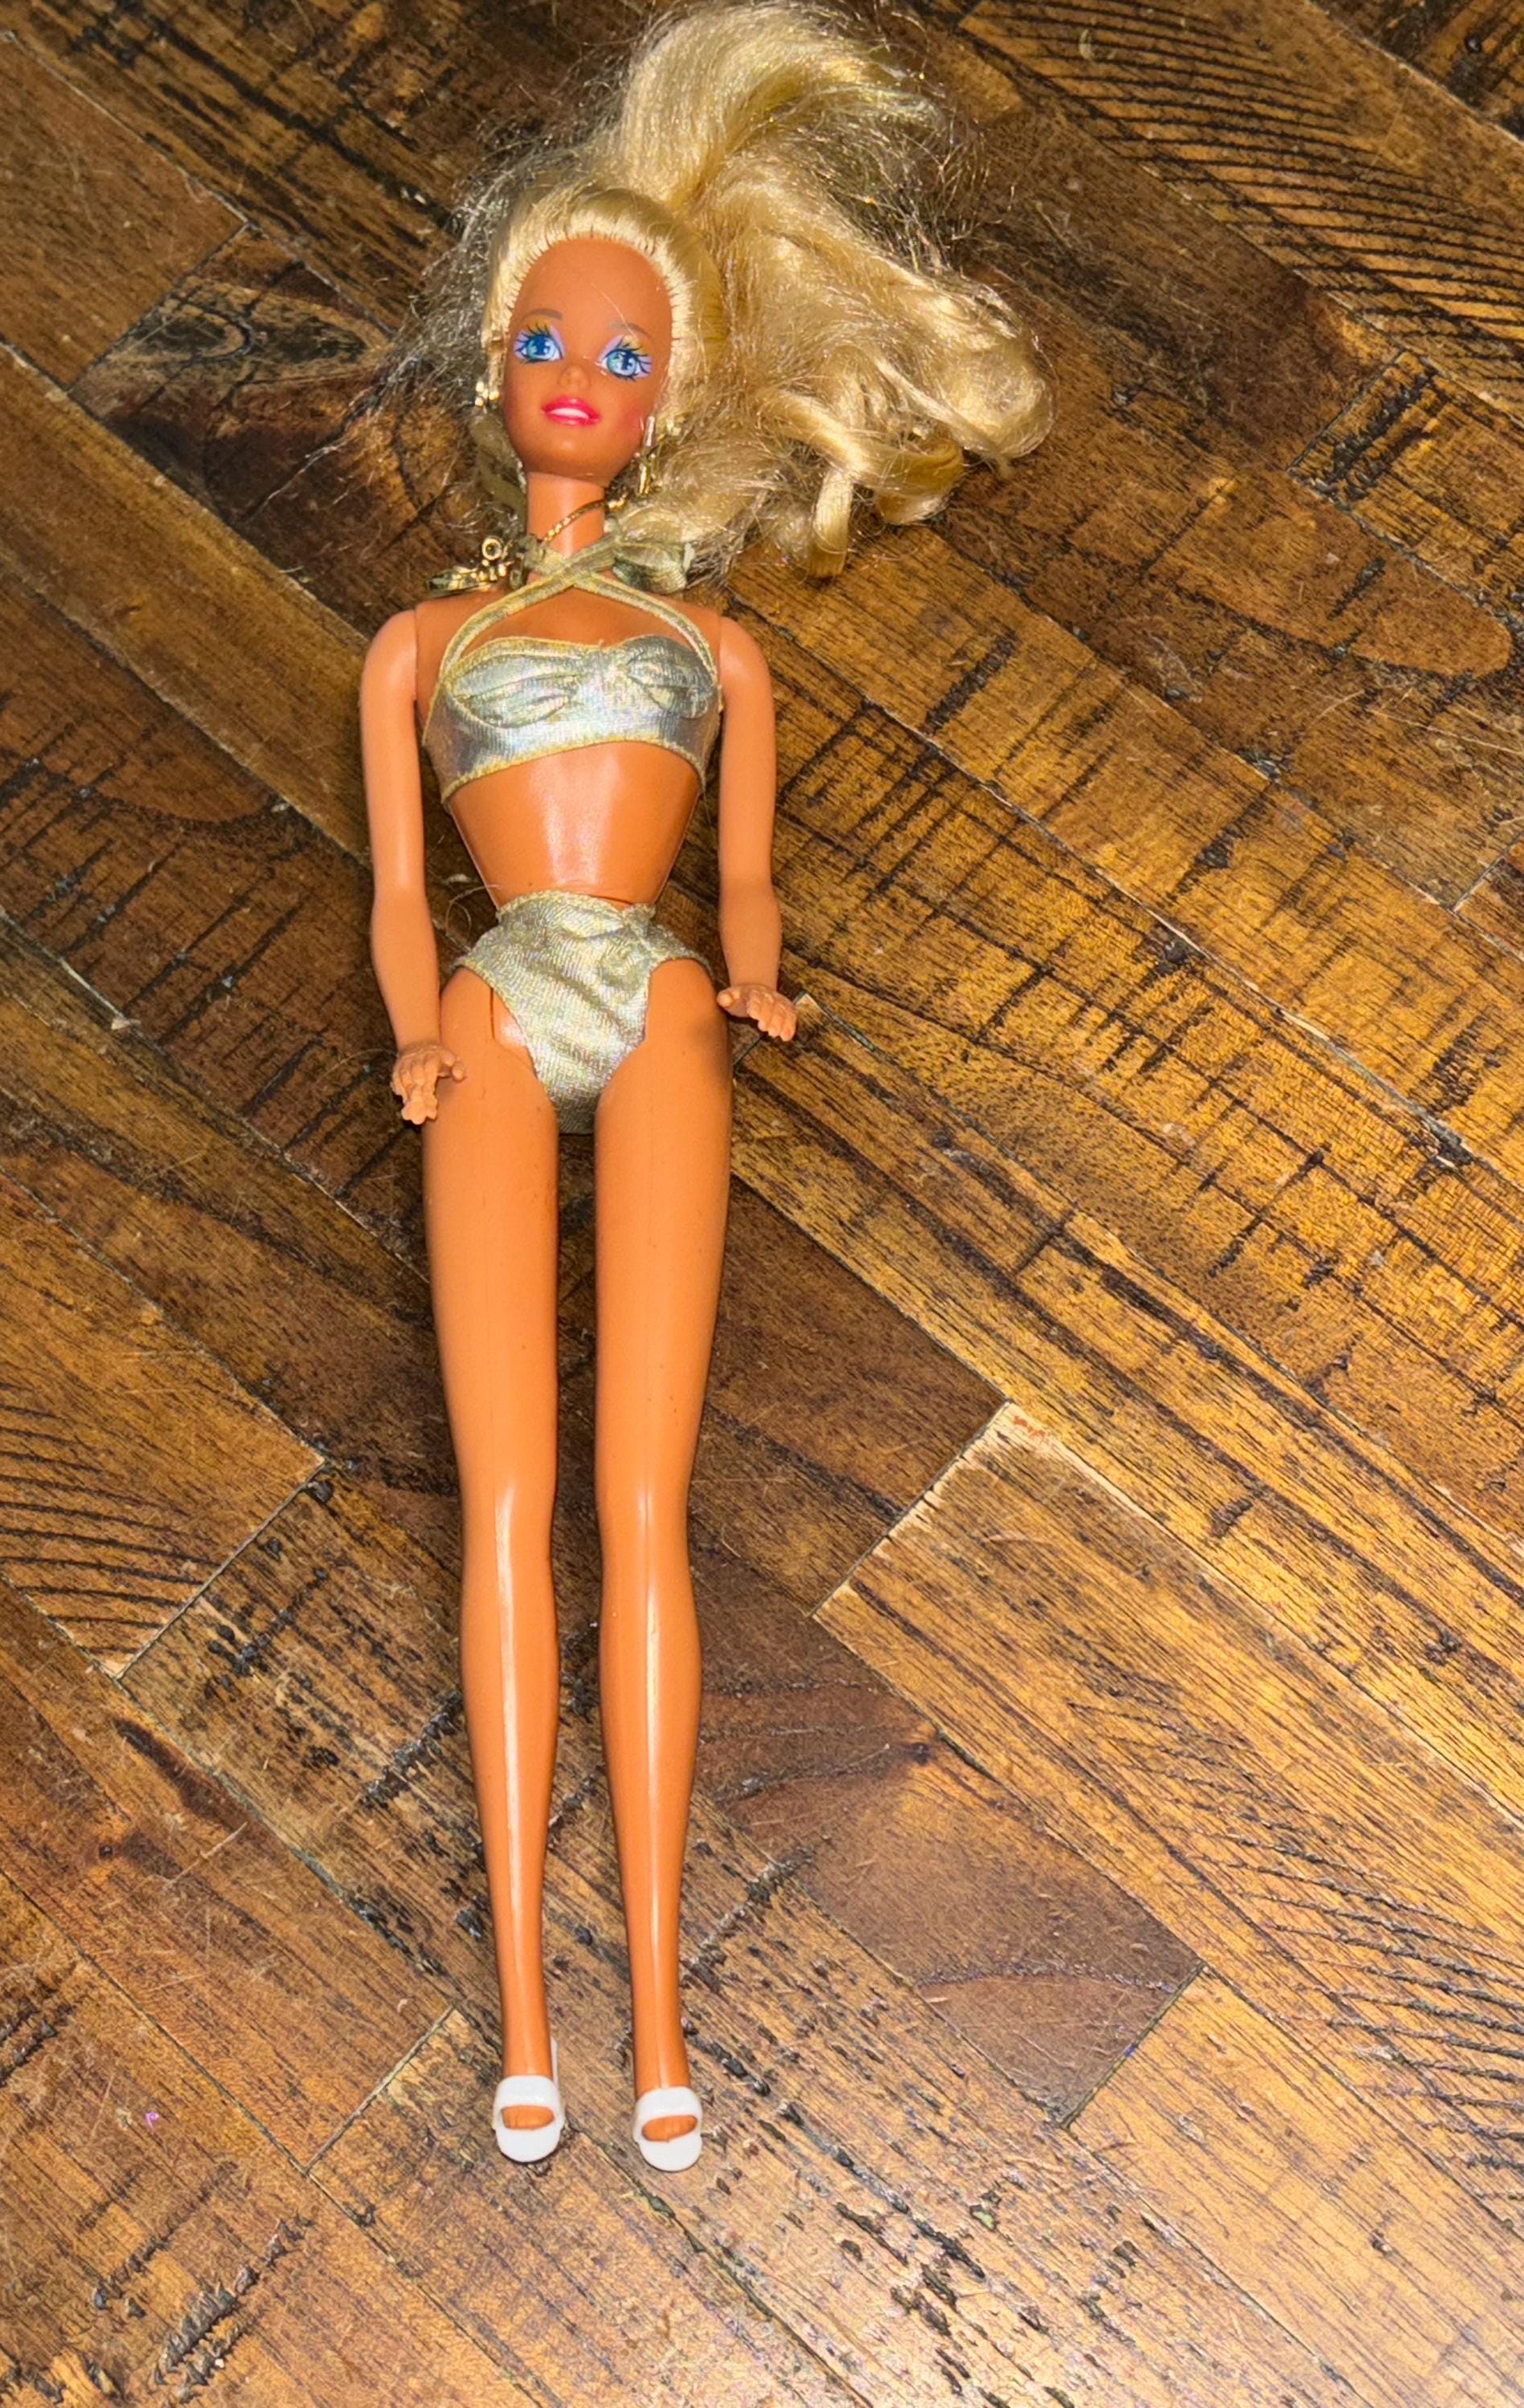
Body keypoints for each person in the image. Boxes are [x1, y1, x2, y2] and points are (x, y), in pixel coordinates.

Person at [358, 0, 1049, 2170]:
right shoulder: (415, 646)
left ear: (670, 402)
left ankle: (657, 2019)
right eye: (548, 344)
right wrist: (413, 1023)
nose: (579, 377)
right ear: (497, 369)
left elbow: (740, 871)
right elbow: (394, 887)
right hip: (494, 1002)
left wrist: (751, 974)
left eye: (623, 354)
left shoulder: (714, 651)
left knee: (636, 1501)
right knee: (506, 1498)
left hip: (654, 1001)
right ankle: (527, 2022)